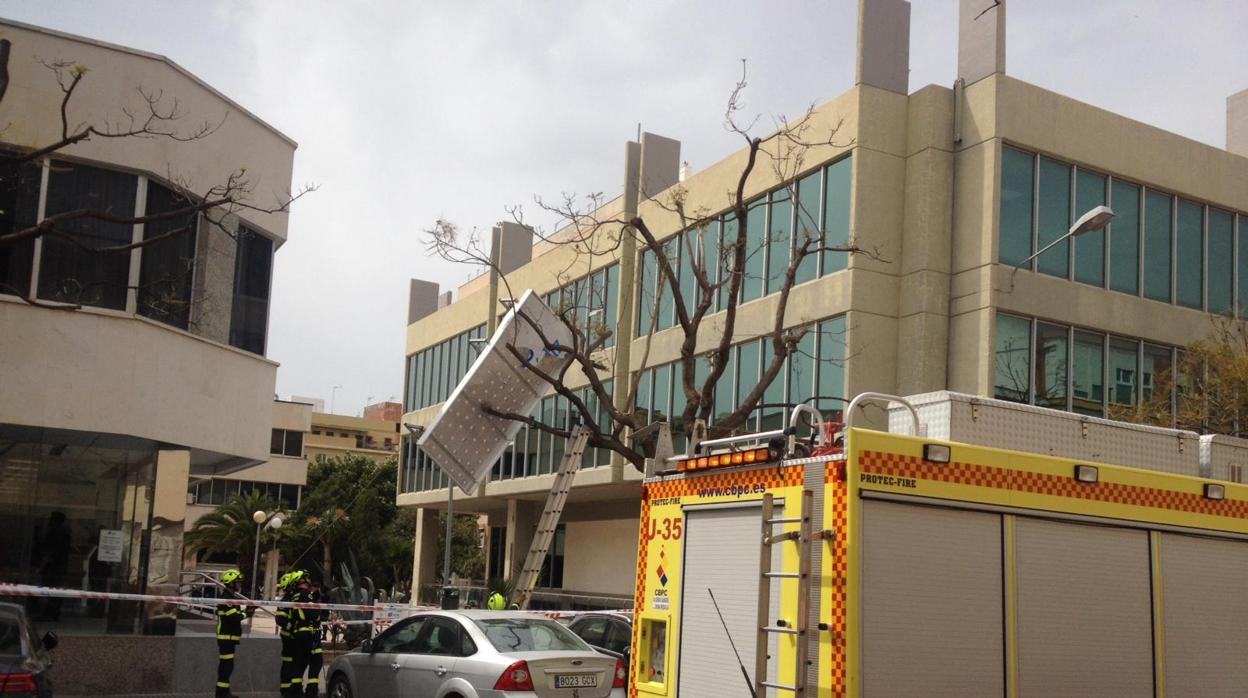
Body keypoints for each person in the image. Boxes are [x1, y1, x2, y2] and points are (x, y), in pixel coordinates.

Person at [214, 569, 254, 698]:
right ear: (231, 583)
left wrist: (246, 611)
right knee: (226, 666)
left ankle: (224, 692)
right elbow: (233, 617)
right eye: (237, 582)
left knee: (227, 666)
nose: (239, 584)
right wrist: (247, 613)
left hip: (228, 636)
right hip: (226, 637)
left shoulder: (230, 597)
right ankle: (221, 694)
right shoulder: (227, 598)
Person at [293, 572, 324, 698]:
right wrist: (318, 615)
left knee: (300, 663)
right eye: (307, 578)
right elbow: (313, 614)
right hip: (310, 633)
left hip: (299, 633)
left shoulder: (295, 595)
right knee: (316, 661)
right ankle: (311, 692)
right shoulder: (306, 595)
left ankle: (295, 692)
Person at [275, 571, 304, 698]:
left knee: (294, 664)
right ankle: (286, 690)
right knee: (288, 664)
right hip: (288, 637)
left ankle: (293, 690)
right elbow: (280, 619)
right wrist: (291, 627)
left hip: (293, 637)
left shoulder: (293, 598)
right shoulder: (285, 601)